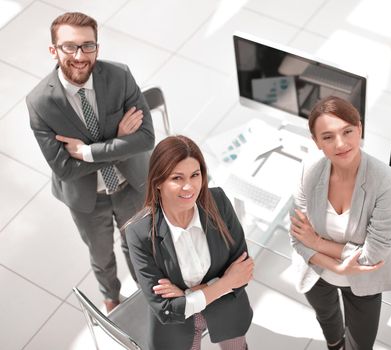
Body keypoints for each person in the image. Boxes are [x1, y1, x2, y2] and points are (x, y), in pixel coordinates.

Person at [26, 12, 154, 312]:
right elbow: (64, 168)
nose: (80, 56)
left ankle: (147, 293)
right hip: (87, 199)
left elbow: (146, 138)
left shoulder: (119, 75)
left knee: (138, 245)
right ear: (53, 50)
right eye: (69, 47)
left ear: (97, 46)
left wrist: (88, 151)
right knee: (101, 256)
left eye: (88, 46)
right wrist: (119, 139)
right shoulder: (40, 103)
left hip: (130, 186)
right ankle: (111, 298)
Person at [289, 96, 391, 350]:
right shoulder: (309, 170)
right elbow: (297, 237)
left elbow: (372, 256)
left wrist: (317, 242)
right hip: (316, 273)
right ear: (317, 142)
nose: (340, 144)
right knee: (328, 322)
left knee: (360, 346)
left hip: (364, 281)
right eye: (328, 137)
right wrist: (336, 267)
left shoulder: (385, 181)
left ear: (360, 129)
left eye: (347, 131)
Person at [124, 135, 254, 350]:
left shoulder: (218, 202)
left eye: (195, 175)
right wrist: (223, 283)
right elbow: (166, 310)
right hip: (177, 328)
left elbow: (243, 272)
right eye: (177, 178)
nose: (189, 187)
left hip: (227, 311)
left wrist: (186, 296)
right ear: (158, 182)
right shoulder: (139, 234)